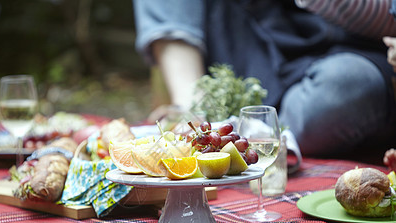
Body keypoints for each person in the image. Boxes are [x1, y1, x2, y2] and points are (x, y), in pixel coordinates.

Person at [132, 0, 396, 157]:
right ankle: (196, 109)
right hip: (245, 42)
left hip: (344, 52)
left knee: (344, 86)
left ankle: (244, 134)